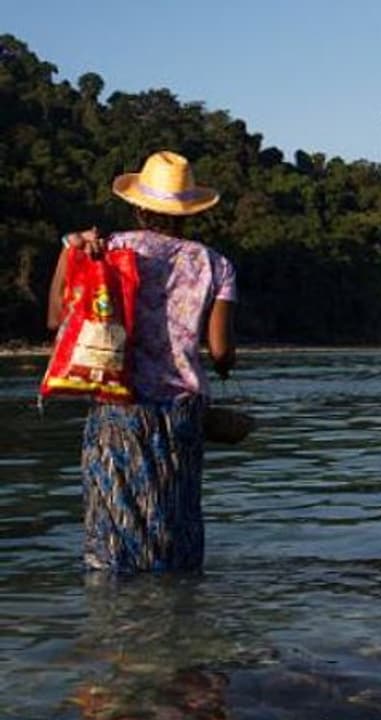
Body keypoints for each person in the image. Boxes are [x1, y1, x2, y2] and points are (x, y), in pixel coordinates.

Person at [47, 150, 236, 573]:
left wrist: (69, 250)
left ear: (137, 205)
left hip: (119, 408)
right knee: (178, 528)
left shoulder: (110, 249)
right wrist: (224, 368)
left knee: (113, 534)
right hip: (182, 416)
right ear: (189, 210)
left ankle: (115, 628)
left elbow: (58, 318)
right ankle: (179, 627)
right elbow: (221, 350)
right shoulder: (216, 265)